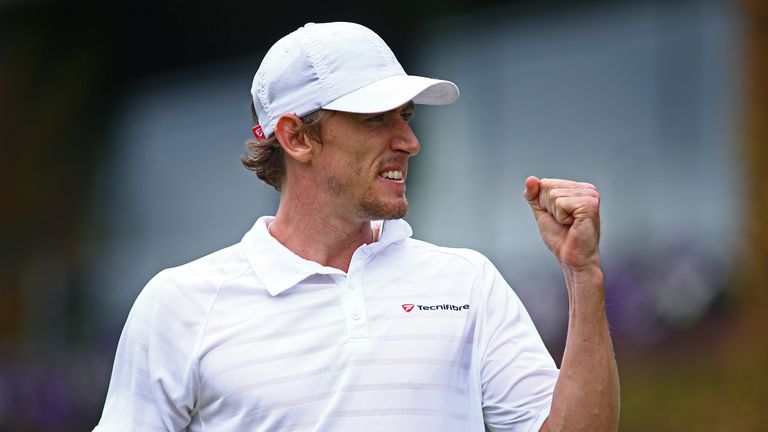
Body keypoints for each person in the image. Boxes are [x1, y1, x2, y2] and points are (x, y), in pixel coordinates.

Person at [94, 22, 619, 431]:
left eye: (406, 116)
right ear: (296, 137)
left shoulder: (468, 282)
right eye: (375, 119)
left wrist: (584, 275)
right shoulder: (180, 304)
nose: (409, 142)